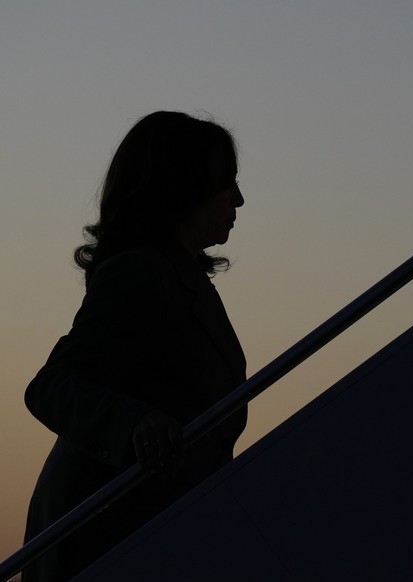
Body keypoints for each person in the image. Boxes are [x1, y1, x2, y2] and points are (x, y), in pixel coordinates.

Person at [22, 111, 247, 581]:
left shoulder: (183, 277)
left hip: (150, 539)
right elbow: (53, 385)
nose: (239, 199)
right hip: (104, 543)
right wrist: (136, 423)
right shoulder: (143, 273)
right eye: (226, 183)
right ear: (183, 186)